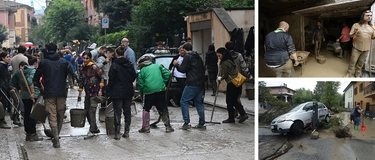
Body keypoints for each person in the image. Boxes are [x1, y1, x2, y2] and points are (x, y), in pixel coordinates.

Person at [33, 42, 75, 148]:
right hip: (61, 92)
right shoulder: (64, 62)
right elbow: (73, 74)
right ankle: (57, 135)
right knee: (60, 113)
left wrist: (40, 88)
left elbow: (35, 79)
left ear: (47, 51)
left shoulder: (43, 62)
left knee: (52, 115)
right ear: (57, 50)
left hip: (49, 92)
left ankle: (56, 138)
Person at [137, 55, 174, 134]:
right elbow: (167, 74)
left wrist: (141, 94)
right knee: (163, 108)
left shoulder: (142, 71)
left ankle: (146, 127)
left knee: (146, 109)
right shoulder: (158, 66)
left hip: (148, 92)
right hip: (160, 90)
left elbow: (141, 85)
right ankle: (168, 126)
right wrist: (163, 83)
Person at [173, 43, 206, 130]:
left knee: (183, 101)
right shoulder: (198, 56)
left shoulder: (188, 56)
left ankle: (186, 122)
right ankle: (201, 123)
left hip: (192, 83)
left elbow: (183, 69)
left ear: (185, 49)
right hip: (200, 83)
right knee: (199, 103)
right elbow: (203, 68)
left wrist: (176, 64)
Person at [107, 46, 136, 140]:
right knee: (127, 112)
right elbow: (133, 77)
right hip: (128, 91)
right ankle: (127, 131)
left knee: (117, 112)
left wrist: (108, 91)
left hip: (117, 92)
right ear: (124, 54)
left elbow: (111, 80)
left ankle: (117, 133)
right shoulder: (130, 65)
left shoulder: (114, 65)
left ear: (116, 54)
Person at [11, 59, 43, 141]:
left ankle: (28, 133)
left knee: (27, 114)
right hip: (32, 95)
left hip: (25, 95)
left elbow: (20, 82)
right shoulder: (32, 70)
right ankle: (33, 133)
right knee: (33, 114)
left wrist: (21, 89)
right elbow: (29, 81)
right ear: (35, 63)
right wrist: (32, 92)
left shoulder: (23, 71)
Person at [216, 48, 249, 123]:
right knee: (234, 100)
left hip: (232, 83)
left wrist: (220, 78)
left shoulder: (224, 63)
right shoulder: (230, 60)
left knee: (229, 101)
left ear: (223, 54)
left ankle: (231, 118)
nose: (219, 57)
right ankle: (243, 113)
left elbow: (225, 73)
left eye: (219, 56)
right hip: (237, 82)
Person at [77, 51, 104, 138]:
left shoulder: (94, 67)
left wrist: (100, 89)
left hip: (94, 92)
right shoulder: (82, 68)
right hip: (87, 92)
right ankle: (95, 127)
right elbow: (81, 79)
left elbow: (102, 77)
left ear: (90, 58)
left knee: (92, 111)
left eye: (87, 58)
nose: (85, 60)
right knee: (86, 111)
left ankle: (92, 130)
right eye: (83, 58)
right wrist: (80, 92)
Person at [344, 10, 375, 77]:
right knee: (352, 62)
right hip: (356, 48)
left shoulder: (372, 26)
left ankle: (357, 73)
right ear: (363, 16)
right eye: (367, 15)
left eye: (370, 15)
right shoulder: (356, 25)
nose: (369, 17)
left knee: (360, 63)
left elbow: (373, 37)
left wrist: (374, 30)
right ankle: (349, 73)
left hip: (366, 49)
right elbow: (350, 35)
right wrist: (355, 32)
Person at [0, 52, 14, 129]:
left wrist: (9, 87)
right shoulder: (1, 66)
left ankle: (2, 119)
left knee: (5, 104)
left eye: (9, 57)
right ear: (3, 58)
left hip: (5, 87)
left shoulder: (5, 66)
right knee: (3, 104)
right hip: (1, 88)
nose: (9, 58)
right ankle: (1, 121)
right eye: (7, 57)